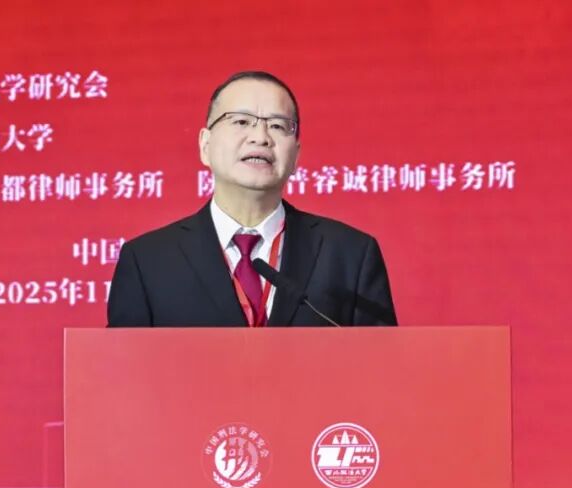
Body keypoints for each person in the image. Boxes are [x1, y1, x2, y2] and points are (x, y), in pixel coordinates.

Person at [107, 71, 397, 327]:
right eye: (241, 121)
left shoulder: (350, 255)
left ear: (296, 156)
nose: (260, 137)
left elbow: (382, 365)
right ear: (205, 145)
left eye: (278, 126)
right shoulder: (147, 261)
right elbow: (124, 368)